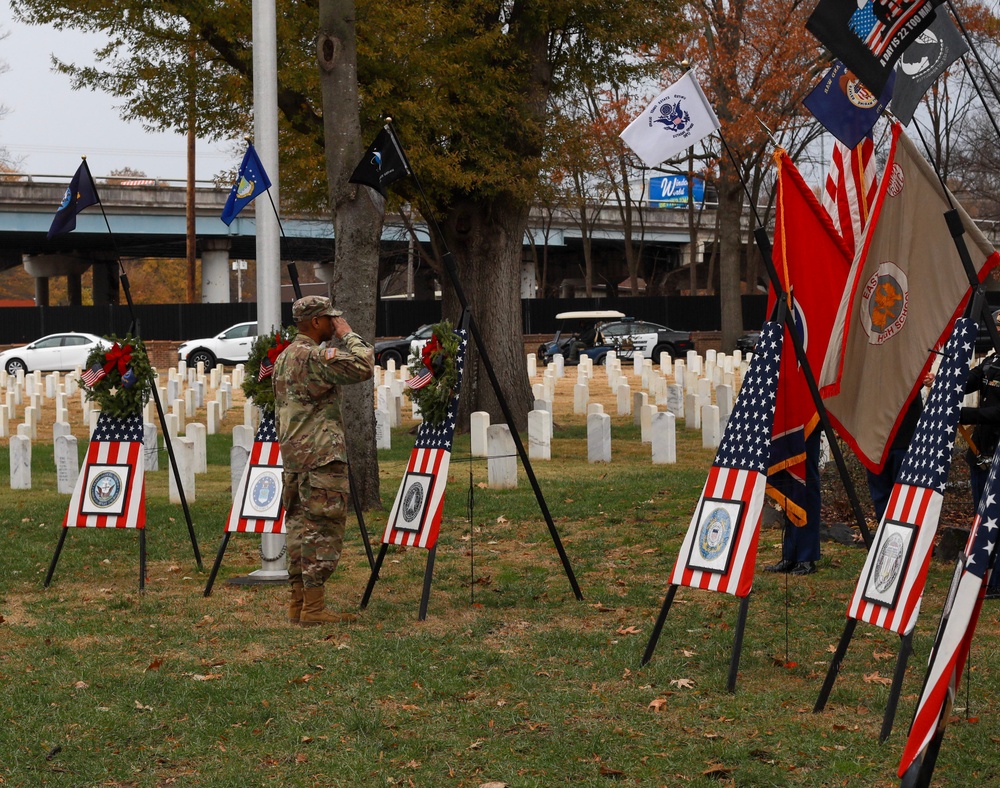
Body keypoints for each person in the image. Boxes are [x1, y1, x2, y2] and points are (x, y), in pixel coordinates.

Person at [273, 295, 375, 626]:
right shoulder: (315, 356)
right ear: (316, 322)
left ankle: (298, 604)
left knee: (300, 528)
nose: (335, 322)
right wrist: (348, 334)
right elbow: (363, 366)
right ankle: (314, 611)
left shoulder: (285, 357)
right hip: (320, 456)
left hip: (294, 457)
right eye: (331, 318)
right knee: (323, 530)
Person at [766, 428, 822, 575]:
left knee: (805, 486)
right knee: (788, 487)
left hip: (806, 422)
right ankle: (790, 555)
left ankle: (806, 556)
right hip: (784, 423)